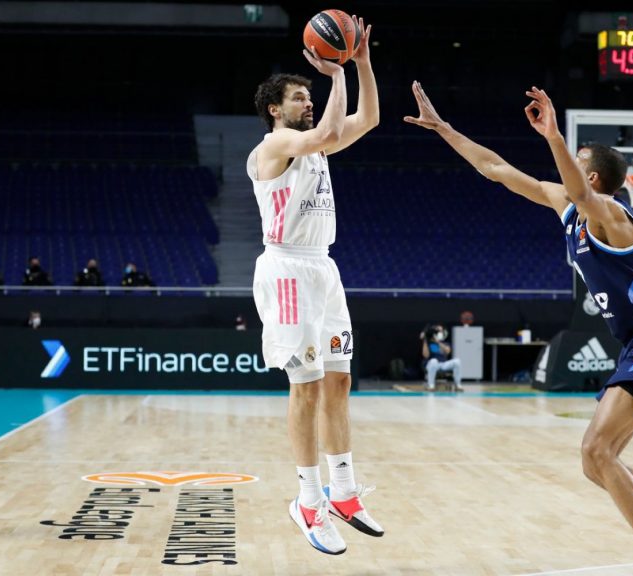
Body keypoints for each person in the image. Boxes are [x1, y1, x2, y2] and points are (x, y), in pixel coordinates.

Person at [406, 83, 633, 576]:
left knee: (595, 449)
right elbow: (497, 170)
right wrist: (446, 130)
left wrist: (553, 134)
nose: (566, 167)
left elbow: (581, 192)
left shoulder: (613, 217)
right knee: (598, 462)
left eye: (577, 159)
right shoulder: (569, 206)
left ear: (594, 175)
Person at [248, 15, 381, 555]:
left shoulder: (314, 145)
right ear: (277, 109)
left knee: (340, 383)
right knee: (304, 388)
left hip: (324, 268)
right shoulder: (275, 146)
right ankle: (307, 500)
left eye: (310, 94)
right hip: (286, 270)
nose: (308, 101)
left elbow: (367, 120)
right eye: (300, 95)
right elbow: (327, 130)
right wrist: (336, 73)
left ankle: (344, 490)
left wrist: (362, 62)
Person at [421, 324, 463, 391]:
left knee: (457, 361)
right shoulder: (428, 343)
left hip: (443, 364)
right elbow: (425, 355)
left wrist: (438, 342)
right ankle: (431, 385)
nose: (438, 333)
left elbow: (447, 351)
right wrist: (425, 340)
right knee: (434, 361)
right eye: (437, 331)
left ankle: (458, 385)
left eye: (440, 331)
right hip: (431, 365)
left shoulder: (445, 343)